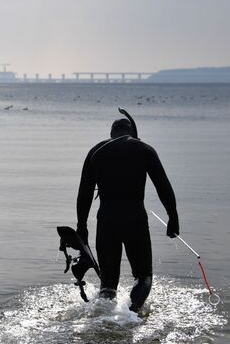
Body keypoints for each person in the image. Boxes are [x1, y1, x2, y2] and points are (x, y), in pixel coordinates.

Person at [76, 116, 179, 312]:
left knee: (107, 284)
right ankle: (131, 314)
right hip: (135, 219)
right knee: (143, 276)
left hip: (106, 220)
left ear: (111, 134)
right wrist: (173, 217)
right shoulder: (145, 150)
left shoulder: (96, 152)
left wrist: (82, 227)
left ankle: (104, 316)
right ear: (132, 132)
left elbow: (84, 194)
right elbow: (163, 187)